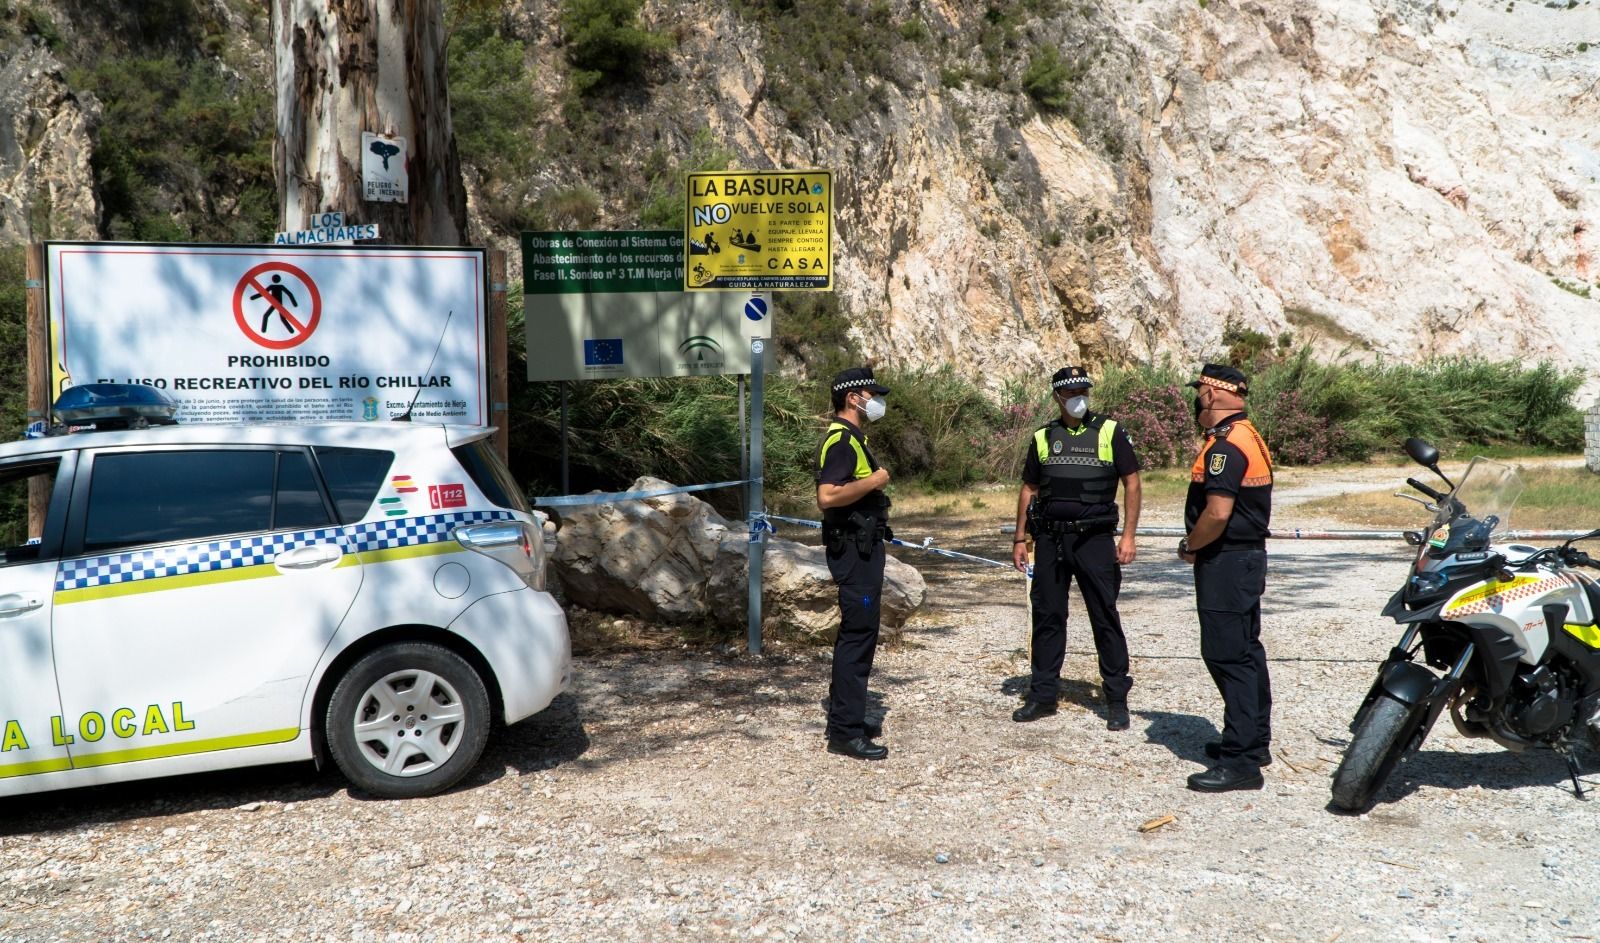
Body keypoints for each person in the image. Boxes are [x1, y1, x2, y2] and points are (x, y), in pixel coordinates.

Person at [1011, 366, 1142, 730]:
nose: (1079, 397)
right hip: (1051, 541)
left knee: (1105, 616)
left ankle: (1116, 699)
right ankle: (1042, 696)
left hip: (1095, 540)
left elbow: (1132, 483)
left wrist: (1128, 536)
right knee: (1048, 617)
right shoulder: (1042, 437)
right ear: (1057, 397)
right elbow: (1029, 490)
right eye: (1071, 392)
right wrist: (1020, 538)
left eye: (1083, 390)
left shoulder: (1110, 431)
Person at [1179, 363, 1274, 792]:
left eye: (1200, 391)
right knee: (1247, 651)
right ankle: (1254, 742)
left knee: (1227, 655)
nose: (1197, 398)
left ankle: (1240, 762)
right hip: (1245, 560)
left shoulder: (1225, 446)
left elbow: (1217, 514)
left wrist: (1191, 545)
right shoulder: (1247, 434)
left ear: (1213, 394)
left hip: (1227, 561)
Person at [816, 366, 894, 760]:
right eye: (870, 393)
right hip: (853, 552)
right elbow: (828, 496)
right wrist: (876, 480)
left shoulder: (852, 438)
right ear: (852, 397)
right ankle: (845, 734)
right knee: (858, 636)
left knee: (861, 635)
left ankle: (848, 719)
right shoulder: (842, 441)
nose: (876, 401)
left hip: (861, 550)